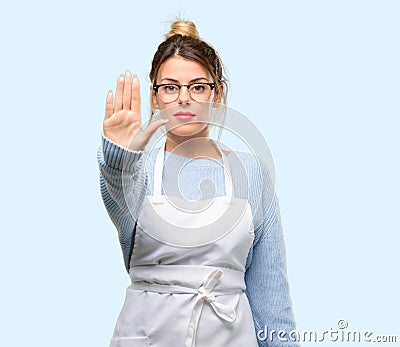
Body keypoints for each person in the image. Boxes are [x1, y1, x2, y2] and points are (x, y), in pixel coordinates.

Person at [98, 20, 299, 347]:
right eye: (171, 87)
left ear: (216, 94)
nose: (184, 98)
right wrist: (121, 154)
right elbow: (118, 188)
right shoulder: (138, 171)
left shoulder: (251, 173)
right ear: (155, 97)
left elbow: (270, 296)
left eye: (198, 86)